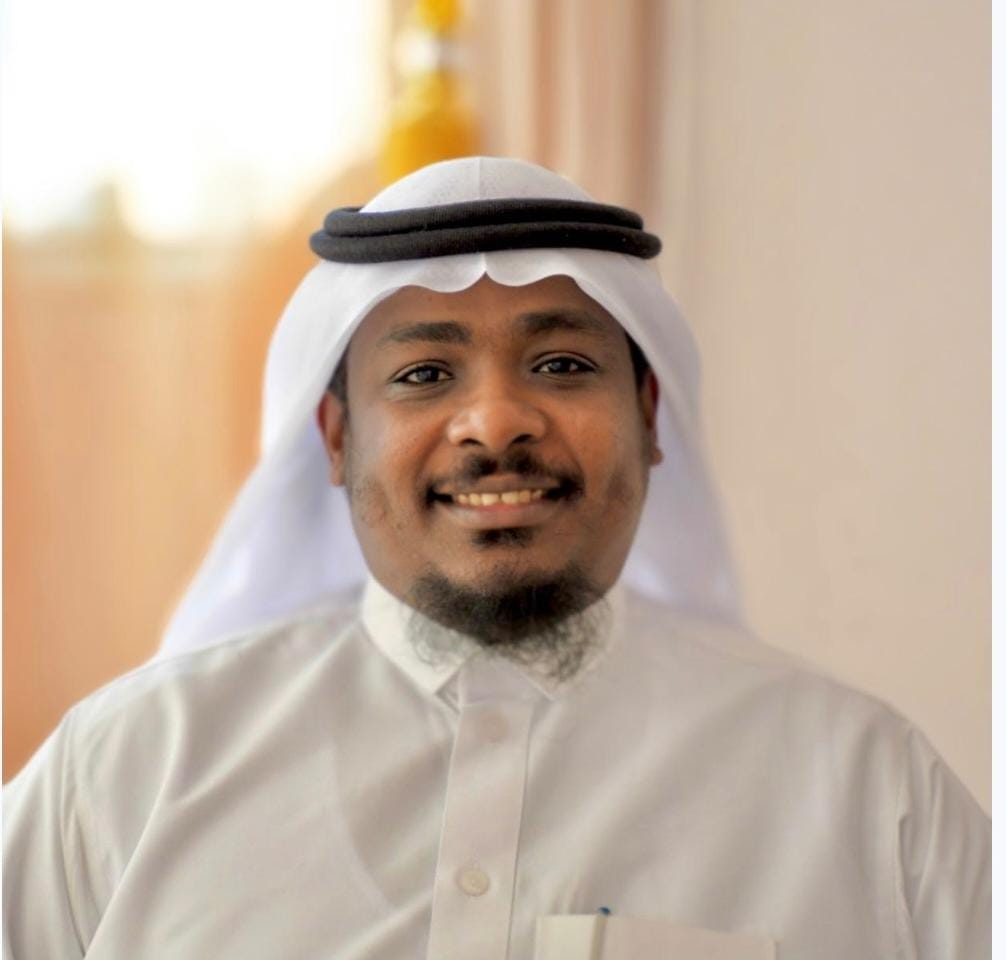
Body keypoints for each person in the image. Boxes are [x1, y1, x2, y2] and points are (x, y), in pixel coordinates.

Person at [3, 157, 989, 959]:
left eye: (561, 365)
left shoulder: (865, 784)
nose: (495, 422)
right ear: (337, 439)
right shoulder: (127, 769)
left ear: (649, 418)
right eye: (424, 373)